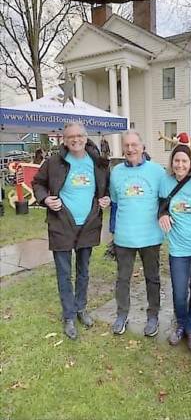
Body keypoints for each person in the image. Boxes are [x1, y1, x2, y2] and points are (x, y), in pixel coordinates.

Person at [32, 123, 110, 340]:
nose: (75, 140)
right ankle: (68, 315)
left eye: (79, 136)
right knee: (65, 274)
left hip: (88, 224)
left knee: (83, 271)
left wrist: (106, 197)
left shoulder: (98, 162)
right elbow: (37, 183)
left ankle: (80, 309)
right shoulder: (54, 163)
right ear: (64, 140)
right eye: (70, 137)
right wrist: (46, 199)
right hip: (61, 224)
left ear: (85, 138)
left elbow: (107, 187)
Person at [109, 130, 165, 337]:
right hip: (124, 236)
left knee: (153, 277)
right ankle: (122, 315)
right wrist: (113, 232)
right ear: (123, 148)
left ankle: (153, 316)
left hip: (150, 236)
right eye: (126, 145)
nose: (130, 149)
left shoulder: (158, 172)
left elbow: (164, 201)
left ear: (143, 146)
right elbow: (114, 203)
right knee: (122, 279)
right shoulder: (116, 172)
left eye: (134, 145)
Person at [159, 144, 191, 352]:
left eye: (184, 161)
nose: (180, 164)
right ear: (172, 162)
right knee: (179, 291)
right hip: (178, 249)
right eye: (176, 160)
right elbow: (160, 205)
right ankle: (180, 324)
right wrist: (161, 214)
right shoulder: (165, 181)